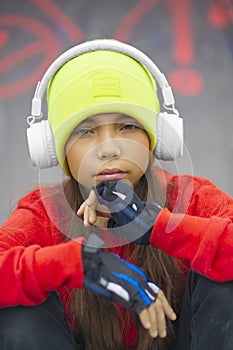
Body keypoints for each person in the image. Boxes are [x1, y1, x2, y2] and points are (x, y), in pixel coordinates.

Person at [0, 39, 233, 350]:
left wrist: (156, 226)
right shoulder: (42, 214)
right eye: (85, 130)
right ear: (54, 149)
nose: (108, 148)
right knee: (17, 302)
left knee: (224, 277)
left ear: (157, 138)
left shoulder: (193, 200)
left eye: (127, 126)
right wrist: (78, 263)